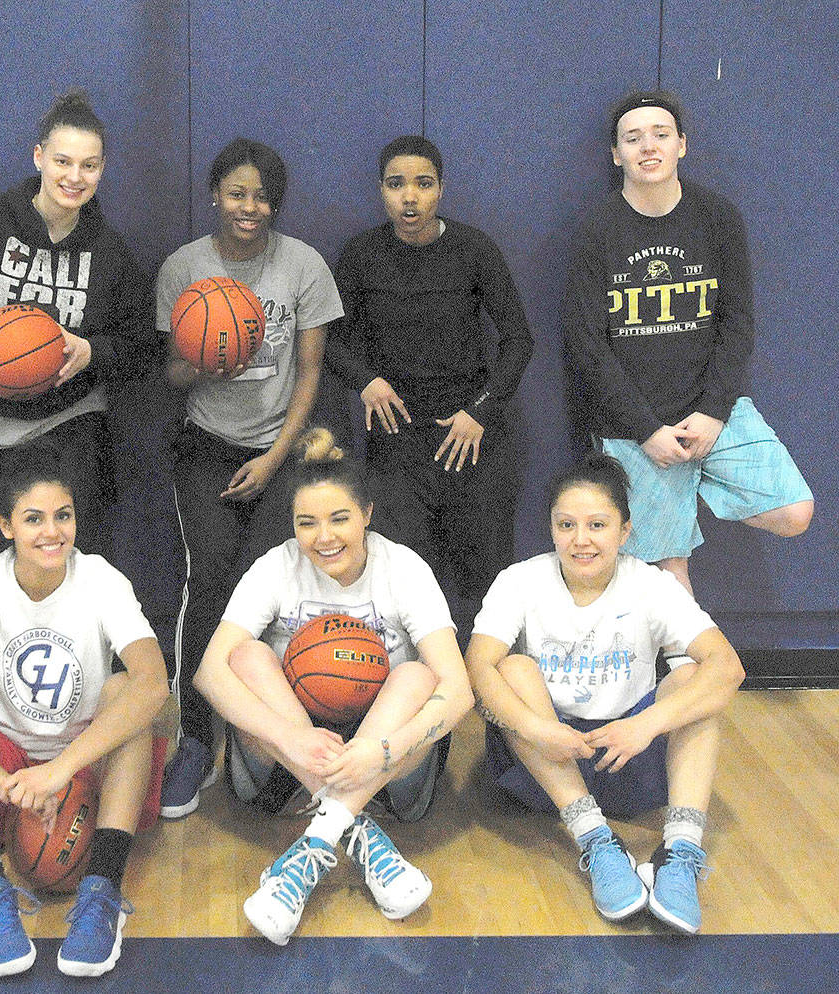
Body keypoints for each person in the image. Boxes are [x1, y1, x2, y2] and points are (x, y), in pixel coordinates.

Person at [193, 427, 473, 945]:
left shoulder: (404, 569)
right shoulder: (276, 567)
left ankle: (316, 842)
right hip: (285, 760)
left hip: (387, 763)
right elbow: (209, 673)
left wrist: (379, 751)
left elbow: (459, 691)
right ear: (292, 525)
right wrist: (292, 737)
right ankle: (357, 831)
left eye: (340, 518)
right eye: (307, 522)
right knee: (247, 657)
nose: (324, 537)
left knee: (417, 675)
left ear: (367, 513)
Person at [0, 444, 169, 978]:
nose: (52, 532)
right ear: (6, 526)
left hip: (86, 765)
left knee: (127, 694)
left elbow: (154, 684)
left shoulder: (101, 579)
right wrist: (3, 779)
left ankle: (102, 895)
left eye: (63, 515)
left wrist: (59, 771)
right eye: (33, 518)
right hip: (6, 768)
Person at [464, 453, 745, 934]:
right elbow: (477, 664)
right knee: (512, 667)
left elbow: (728, 668)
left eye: (597, 525)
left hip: (629, 753)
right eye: (566, 524)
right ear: (551, 529)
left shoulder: (651, 585)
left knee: (690, 679)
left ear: (625, 531)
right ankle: (594, 840)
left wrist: (646, 725)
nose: (581, 539)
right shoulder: (521, 580)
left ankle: (680, 850)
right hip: (548, 760)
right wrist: (539, 729)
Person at [157, 138, 344, 818]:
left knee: (273, 594)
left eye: (262, 196)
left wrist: (274, 460)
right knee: (207, 580)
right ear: (215, 195)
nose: (249, 206)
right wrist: (209, 362)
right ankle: (193, 742)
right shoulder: (185, 268)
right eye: (237, 193)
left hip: (282, 451)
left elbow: (312, 373)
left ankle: (265, 738)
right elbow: (172, 373)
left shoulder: (302, 265)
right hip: (207, 446)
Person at [563, 90, 812, 595]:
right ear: (617, 154)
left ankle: (695, 487)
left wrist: (715, 412)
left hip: (711, 411)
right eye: (632, 138)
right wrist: (646, 428)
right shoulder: (597, 230)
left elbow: (737, 322)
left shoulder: (717, 217)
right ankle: (691, 671)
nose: (647, 146)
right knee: (670, 572)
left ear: (682, 144)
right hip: (636, 426)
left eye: (660, 134)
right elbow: (586, 344)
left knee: (794, 511)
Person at [0, 89, 152, 574]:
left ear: (103, 169)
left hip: (66, 421)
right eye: (63, 161)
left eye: (89, 165)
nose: (74, 177)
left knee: (69, 572)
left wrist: (92, 350)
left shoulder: (111, 252)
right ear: (39, 157)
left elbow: (139, 344)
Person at [327, 135, 532, 631]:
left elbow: (519, 340)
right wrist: (366, 381)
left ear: (441, 189)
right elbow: (329, 341)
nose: (410, 197)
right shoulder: (360, 254)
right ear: (381, 191)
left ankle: (491, 683)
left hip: (470, 429)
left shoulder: (474, 248)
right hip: (397, 432)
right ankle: (418, 683)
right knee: (407, 565)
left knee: (485, 567)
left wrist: (481, 411)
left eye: (423, 184)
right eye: (397, 185)